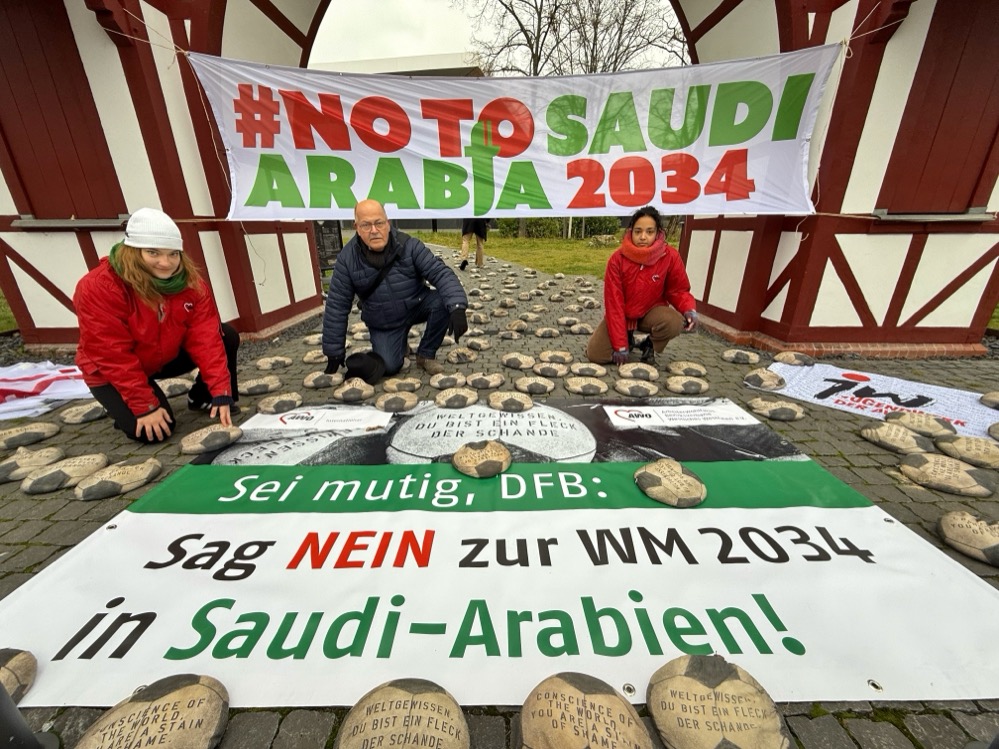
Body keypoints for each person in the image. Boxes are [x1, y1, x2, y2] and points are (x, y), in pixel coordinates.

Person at [74, 207, 240, 443]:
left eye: (173, 254)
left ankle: (202, 397)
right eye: (153, 252)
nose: (166, 263)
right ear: (132, 251)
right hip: (109, 370)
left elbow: (206, 338)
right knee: (155, 432)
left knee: (227, 336)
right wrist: (145, 406)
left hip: (160, 356)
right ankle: (123, 408)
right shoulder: (99, 287)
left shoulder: (191, 283)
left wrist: (221, 391)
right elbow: (111, 353)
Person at [322, 199, 468, 380]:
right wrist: (333, 350)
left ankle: (425, 354)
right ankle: (400, 344)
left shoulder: (410, 245)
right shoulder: (346, 259)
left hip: (416, 304)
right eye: (366, 225)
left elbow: (440, 273)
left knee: (443, 302)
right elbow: (337, 305)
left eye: (379, 223)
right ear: (357, 227)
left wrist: (457, 306)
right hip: (384, 320)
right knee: (390, 366)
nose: (374, 230)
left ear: (387, 223)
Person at [586, 205, 697, 366]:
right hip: (623, 315)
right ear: (631, 231)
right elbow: (614, 304)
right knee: (595, 355)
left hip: (650, 313)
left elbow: (678, 290)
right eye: (638, 231)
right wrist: (620, 345)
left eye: (649, 232)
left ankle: (649, 345)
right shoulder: (617, 259)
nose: (643, 237)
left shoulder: (670, 256)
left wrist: (689, 309)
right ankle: (628, 340)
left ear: (658, 232)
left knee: (674, 321)